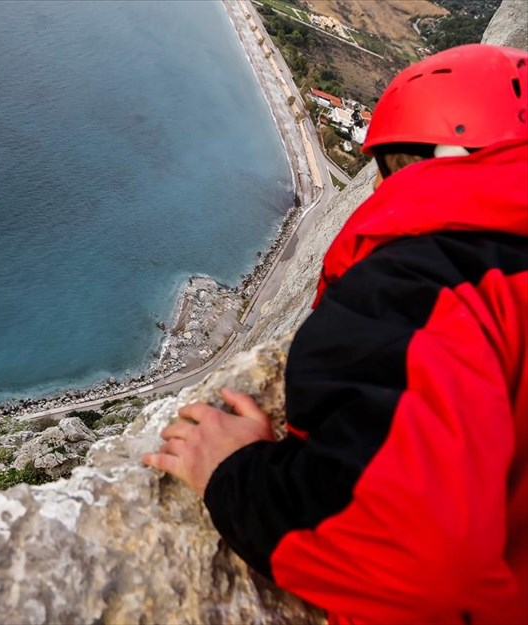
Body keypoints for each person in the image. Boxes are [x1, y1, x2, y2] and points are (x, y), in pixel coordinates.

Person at [143, 43, 528, 625]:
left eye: (388, 167)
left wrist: (235, 474)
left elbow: (415, 558)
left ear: (428, 160)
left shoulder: (417, 288)